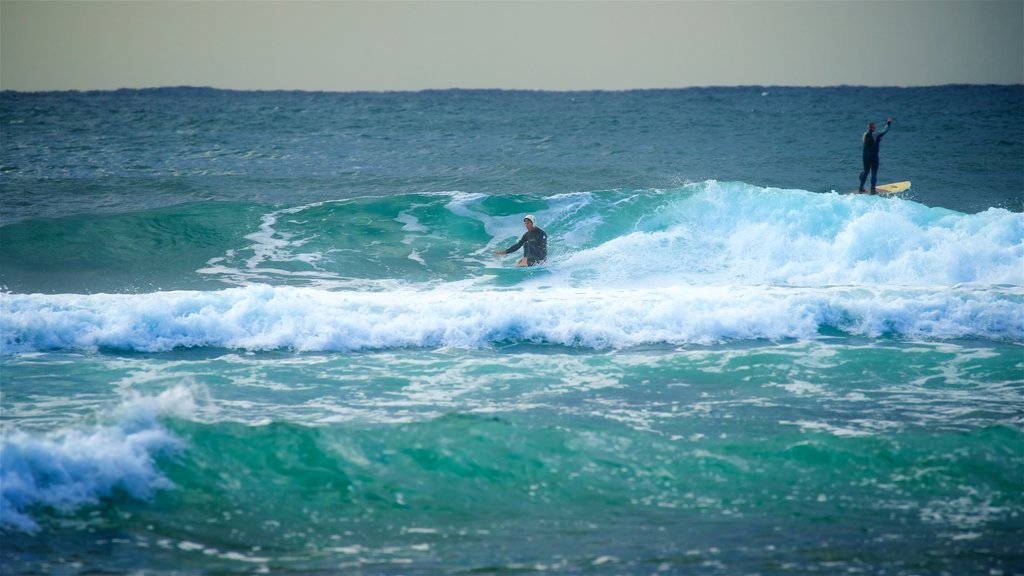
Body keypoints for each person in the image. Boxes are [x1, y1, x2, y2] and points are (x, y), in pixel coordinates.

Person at [859, 117, 892, 194]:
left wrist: (878, 140)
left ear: (868, 127)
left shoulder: (864, 135)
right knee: (874, 173)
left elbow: (870, 143)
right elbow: (885, 130)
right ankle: (873, 190)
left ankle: (861, 189)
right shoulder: (876, 134)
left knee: (866, 172)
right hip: (873, 157)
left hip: (865, 156)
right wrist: (889, 123)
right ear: (874, 128)